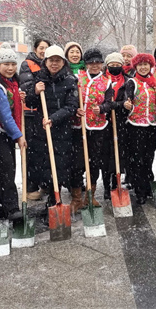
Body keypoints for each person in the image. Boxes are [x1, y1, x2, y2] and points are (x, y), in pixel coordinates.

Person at [25, 46, 79, 212]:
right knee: (43, 163)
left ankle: (56, 197)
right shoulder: (39, 79)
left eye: (58, 60)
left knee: (60, 163)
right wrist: (35, 91)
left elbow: (71, 106)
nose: (54, 63)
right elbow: (30, 103)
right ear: (45, 62)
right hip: (41, 129)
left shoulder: (70, 80)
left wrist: (54, 119)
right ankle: (49, 193)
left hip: (61, 129)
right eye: (51, 60)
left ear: (63, 62)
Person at [0, 43, 27, 221]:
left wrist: (19, 97)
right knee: (7, 170)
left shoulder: (13, 84)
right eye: (6, 64)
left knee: (5, 172)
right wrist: (19, 136)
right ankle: (11, 209)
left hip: (8, 133)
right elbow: (4, 116)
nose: (10, 68)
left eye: (13, 64)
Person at [76, 48, 112, 207]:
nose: (95, 65)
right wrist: (75, 109)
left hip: (97, 127)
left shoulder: (106, 82)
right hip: (78, 126)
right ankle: (76, 197)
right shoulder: (78, 78)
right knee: (77, 162)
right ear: (86, 64)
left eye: (98, 62)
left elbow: (109, 103)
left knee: (94, 161)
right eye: (91, 63)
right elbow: (71, 98)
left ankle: (90, 195)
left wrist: (102, 108)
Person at [124, 53, 156, 204]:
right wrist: (127, 104)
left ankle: (148, 184)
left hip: (152, 125)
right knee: (138, 158)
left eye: (146, 64)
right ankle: (140, 190)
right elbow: (127, 98)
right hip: (136, 126)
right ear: (136, 67)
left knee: (149, 157)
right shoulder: (132, 82)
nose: (143, 67)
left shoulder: (154, 82)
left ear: (150, 66)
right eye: (140, 65)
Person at [19, 38, 51, 200]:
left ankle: (45, 183)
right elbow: (26, 86)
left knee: (45, 150)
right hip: (30, 112)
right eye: (41, 48)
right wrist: (36, 89)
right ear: (35, 49)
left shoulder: (50, 64)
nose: (43, 51)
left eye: (46, 48)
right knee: (32, 151)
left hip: (45, 112)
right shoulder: (28, 64)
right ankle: (30, 186)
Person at [102, 52, 131, 196]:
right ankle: (106, 185)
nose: (114, 67)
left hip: (121, 123)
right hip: (104, 122)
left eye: (117, 65)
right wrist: (111, 105)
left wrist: (119, 105)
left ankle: (115, 183)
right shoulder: (102, 80)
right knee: (105, 155)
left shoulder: (127, 81)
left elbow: (129, 101)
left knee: (118, 154)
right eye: (112, 65)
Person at [65, 41, 86, 213]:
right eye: (71, 51)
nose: (74, 54)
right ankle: (73, 190)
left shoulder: (86, 72)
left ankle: (79, 189)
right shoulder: (63, 72)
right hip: (67, 122)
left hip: (86, 123)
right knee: (70, 160)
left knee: (81, 159)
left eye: (77, 51)